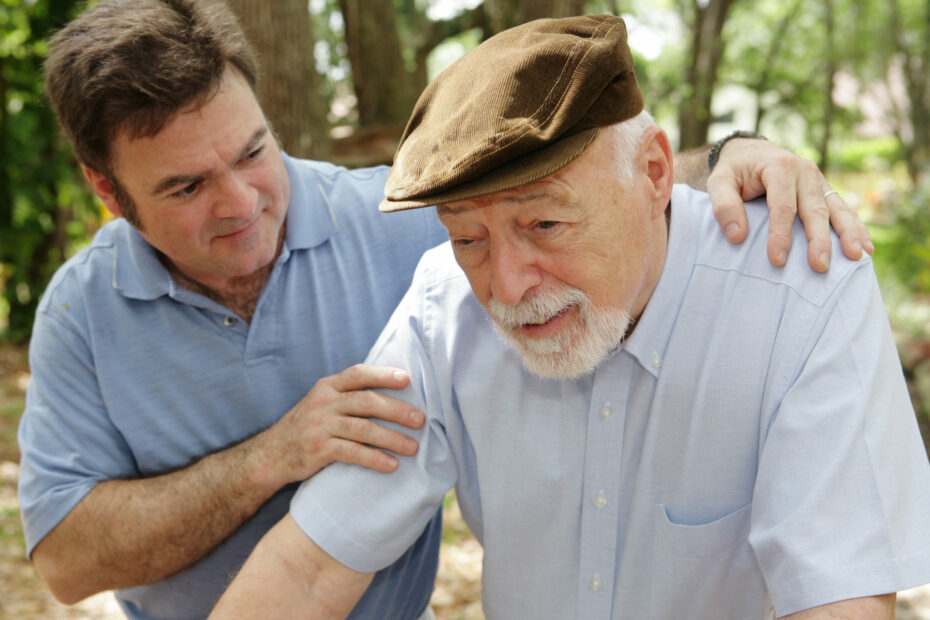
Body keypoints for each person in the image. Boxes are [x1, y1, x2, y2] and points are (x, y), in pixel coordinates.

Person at [18, 2, 870, 618]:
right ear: (108, 190)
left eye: (253, 152)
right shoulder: (80, 316)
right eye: (187, 187)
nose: (242, 202)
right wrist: (269, 458)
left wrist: (739, 156)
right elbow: (64, 562)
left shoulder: (398, 227)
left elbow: (574, 190)